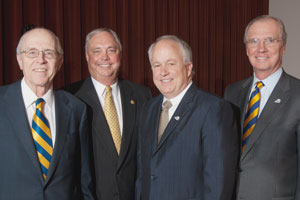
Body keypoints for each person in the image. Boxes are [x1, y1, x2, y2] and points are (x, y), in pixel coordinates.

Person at [135, 35, 239, 200]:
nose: (163, 72)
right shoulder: (148, 109)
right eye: (157, 65)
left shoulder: (214, 109)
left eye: (171, 63)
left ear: (188, 68)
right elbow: (143, 172)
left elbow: (218, 182)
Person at [0, 28, 95, 199]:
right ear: (19, 60)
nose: (41, 60)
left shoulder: (76, 109)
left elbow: (83, 179)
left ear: (59, 62)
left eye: (49, 53)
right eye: (32, 52)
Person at [224, 15, 300, 200]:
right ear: (247, 49)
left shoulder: (297, 94)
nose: (261, 48)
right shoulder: (232, 93)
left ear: (284, 46)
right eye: (254, 41)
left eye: (270, 40)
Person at [72, 28, 152, 200]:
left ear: (120, 54)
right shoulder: (70, 98)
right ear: (87, 56)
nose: (105, 57)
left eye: (111, 50)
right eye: (97, 51)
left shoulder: (142, 95)